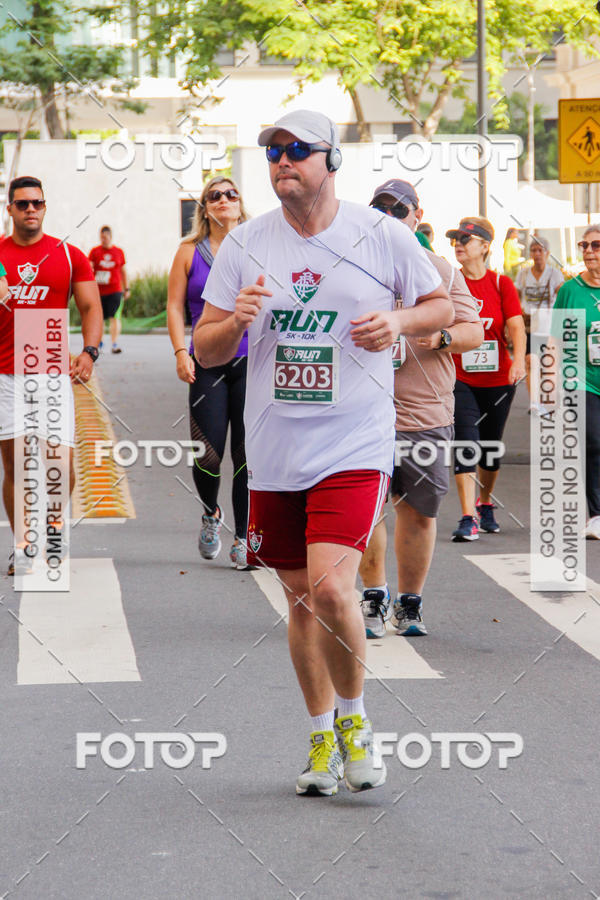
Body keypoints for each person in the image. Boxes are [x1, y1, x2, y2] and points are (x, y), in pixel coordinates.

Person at [194, 111, 452, 797]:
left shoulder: (382, 235)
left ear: (331, 160)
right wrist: (235, 322)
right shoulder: (246, 243)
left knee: (333, 588)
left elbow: (440, 308)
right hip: (276, 448)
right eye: (272, 151)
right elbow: (205, 348)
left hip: (353, 442)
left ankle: (355, 723)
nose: (282, 160)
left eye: (297, 150)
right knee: (301, 600)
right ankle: (318, 738)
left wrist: (397, 320)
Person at [359, 180, 483, 638]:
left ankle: (409, 604)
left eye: (399, 209)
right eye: (380, 208)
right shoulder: (353, 266)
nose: (390, 216)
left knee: (419, 512)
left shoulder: (440, 272)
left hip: (424, 414)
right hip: (361, 414)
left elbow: (473, 332)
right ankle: (374, 596)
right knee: (366, 509)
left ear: (417, 216)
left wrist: (442, 337)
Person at [0, 175, 102, 575]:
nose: (31, 209)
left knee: (59, 465)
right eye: (23, 203)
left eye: (37, 203)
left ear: (45, 207)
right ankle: (23, 545)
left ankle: (52, 530)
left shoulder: (68, 255)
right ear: (9, 208)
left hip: (52, 374)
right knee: (16, 467)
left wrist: (90, 352)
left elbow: (91, 308)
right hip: (6, 375)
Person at [167, 176, 252, 568]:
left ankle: (244, 536)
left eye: (230, 194)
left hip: (251, 359)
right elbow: (174, 306)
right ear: (204, 207)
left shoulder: (256, 246)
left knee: (247, 454)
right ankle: (210, 513)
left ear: (240, 203)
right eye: (214, 195)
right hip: (206, 361)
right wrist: (179, 352)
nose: (223, 200)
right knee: (208, 452)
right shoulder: (189, 251)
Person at [446, 217, 526, 541]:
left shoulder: (500, 284)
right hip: (460, 377)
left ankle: (485, 502)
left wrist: (518, 361)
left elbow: (516, 326)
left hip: (498, 380)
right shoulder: (450, 283)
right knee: (466, 441)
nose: (458, 245)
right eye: (455, 239)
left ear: (485, 246)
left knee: (490, 447)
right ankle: (468, 516)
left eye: (466, 239)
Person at [552, 226, 600, 539]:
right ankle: (596, 515)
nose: (588, 251)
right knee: (594, 441)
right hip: (581, 380)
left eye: (596, 245)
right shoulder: (570, 291)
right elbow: (556, 338)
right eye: (584, 245)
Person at [515, 235, 564, 413]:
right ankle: (535, 403)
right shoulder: (523, 274)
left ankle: (549, 400)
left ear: (547, 253)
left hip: (549, 325)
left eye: (540, 250)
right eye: (533, 250)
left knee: (549, 365)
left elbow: (563, 297)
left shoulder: (554, 274)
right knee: (531, 361)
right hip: (530, 326)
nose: (537, 254)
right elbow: (515, 297)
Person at [88, 226, 129, 354]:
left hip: (115, 290)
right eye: (101, 238)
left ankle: (114, 344)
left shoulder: (118, 252)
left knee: (114, 317)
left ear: (110, 237)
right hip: (98, 291)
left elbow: (123, 271)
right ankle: (99, 343)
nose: (103, 240)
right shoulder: (95, 252)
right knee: (99, 318)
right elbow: (88, 268)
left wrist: (127, 288)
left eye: (105, 237)